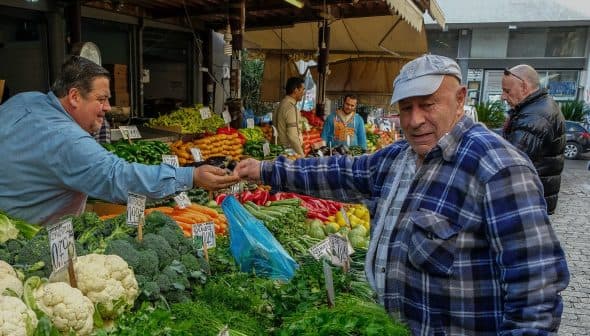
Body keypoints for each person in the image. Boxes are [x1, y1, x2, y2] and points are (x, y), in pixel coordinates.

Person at [234, 54, 569, 335]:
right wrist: (264, 170)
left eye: (427, 105)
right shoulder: (399, 157)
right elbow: (341, 172)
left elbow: (535, 290)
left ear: (461, 99)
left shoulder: (498, 168)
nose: (415, 120)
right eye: (406, 108)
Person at [0, 56, 239, 225]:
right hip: (29, 239)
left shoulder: (23, 101)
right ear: (74, 96)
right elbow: (119, 177)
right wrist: (191, 176)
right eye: (101, 99)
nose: (108, 107)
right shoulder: (66, 139)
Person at [502, 65, 565, 215]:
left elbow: (510, 163)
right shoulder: (538, 107)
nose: (503, 96)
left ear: (524, 87)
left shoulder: (535, 116)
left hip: (526, 202)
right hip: (531, 199)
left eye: (507, 91)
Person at [273, 76, 305, 156]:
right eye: (302, 89)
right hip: (287, 152)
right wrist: (302, 155)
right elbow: (293, 136)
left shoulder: (280, 105)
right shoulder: (291, 108)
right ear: (296, 90)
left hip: (278, 149)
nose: (303, 93)